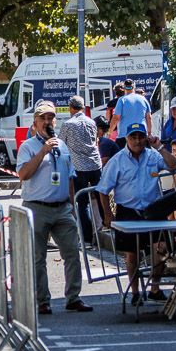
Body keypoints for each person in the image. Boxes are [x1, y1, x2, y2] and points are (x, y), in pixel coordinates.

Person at [96, 122, 176, 304]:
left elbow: (174, 166)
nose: (137, 141)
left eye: (140, 137)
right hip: (128, 211)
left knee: (161, 246)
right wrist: (107, 214)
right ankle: (136, 292)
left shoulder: (154, 155)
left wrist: (160, 147)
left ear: (145, 138)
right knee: (132, 253)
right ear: (127, 139)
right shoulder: (117, 160)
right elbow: (103, 190)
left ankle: (154, 288)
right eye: (133, 137)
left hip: (153, 210)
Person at [16, 101, 91, 314]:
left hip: (62, 208)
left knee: (73, 252)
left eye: (51, 118)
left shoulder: (62, 145)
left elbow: (69, 177)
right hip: (37, 208)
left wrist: (72, 207)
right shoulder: (28, 146)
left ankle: (73, 297)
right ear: (36, 123)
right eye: (43, 119)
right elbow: (23, 175)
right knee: (38, 257)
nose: (48, 122)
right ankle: (42, 301)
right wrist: (43, 152)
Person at [59, 95, 104, 245]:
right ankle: (108, 227)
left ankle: (87, 239)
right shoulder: (92, 122)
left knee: (82, 203)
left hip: (79, 167)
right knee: (101, 197)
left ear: (71, 107)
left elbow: (60, 143)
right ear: (83, 108)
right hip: (95, 165)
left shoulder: (68, 124)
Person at [112, 81, 151, 150]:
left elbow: (116, 118)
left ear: (124, 88)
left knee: (119, 157)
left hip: (124, 136)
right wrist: (149, 132)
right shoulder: (143, 99)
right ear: (134, 88)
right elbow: (149, 118)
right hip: (141, 134)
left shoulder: (122, 100)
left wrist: (109, 131)